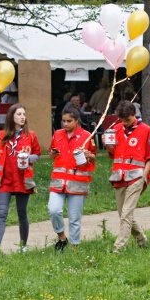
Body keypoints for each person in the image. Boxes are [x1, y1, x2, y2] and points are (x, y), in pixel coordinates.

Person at [0, 104, 40, 258]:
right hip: (5, 180)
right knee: (1, 213)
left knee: (22, 213)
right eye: (18, 114)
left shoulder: (31, 136)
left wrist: (28, 158)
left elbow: (38, 154)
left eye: (24, 114)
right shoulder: (2, 135)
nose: (22, 117)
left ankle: (23, 245)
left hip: (23, 180)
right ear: (11, 117)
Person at [105, 99, 150, 253]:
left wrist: (144, 176)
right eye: (122, 120)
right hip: (119, 177)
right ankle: (141, 239)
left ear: (134, 114)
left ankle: (118, 248)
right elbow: (114, 153)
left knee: (126, 214)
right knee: (123, 213)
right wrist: (108, 145)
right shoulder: (116, 129)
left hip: (137, 176)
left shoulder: (147, 130)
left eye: (127, 120)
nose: (125, 123)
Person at [48, 108, 96, 252]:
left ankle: (75, 246)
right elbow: (51, 153)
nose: (65, 124)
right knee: (53, 210)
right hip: (58, 181)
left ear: (77, 121)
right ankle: (62, 237)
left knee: (74, 217)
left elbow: (94, 156)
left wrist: (88, 155)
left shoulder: (87, 136)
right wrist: (53, 154)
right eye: (63, 121)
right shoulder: (57, 134)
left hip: (77, 182)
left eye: (69, 121)